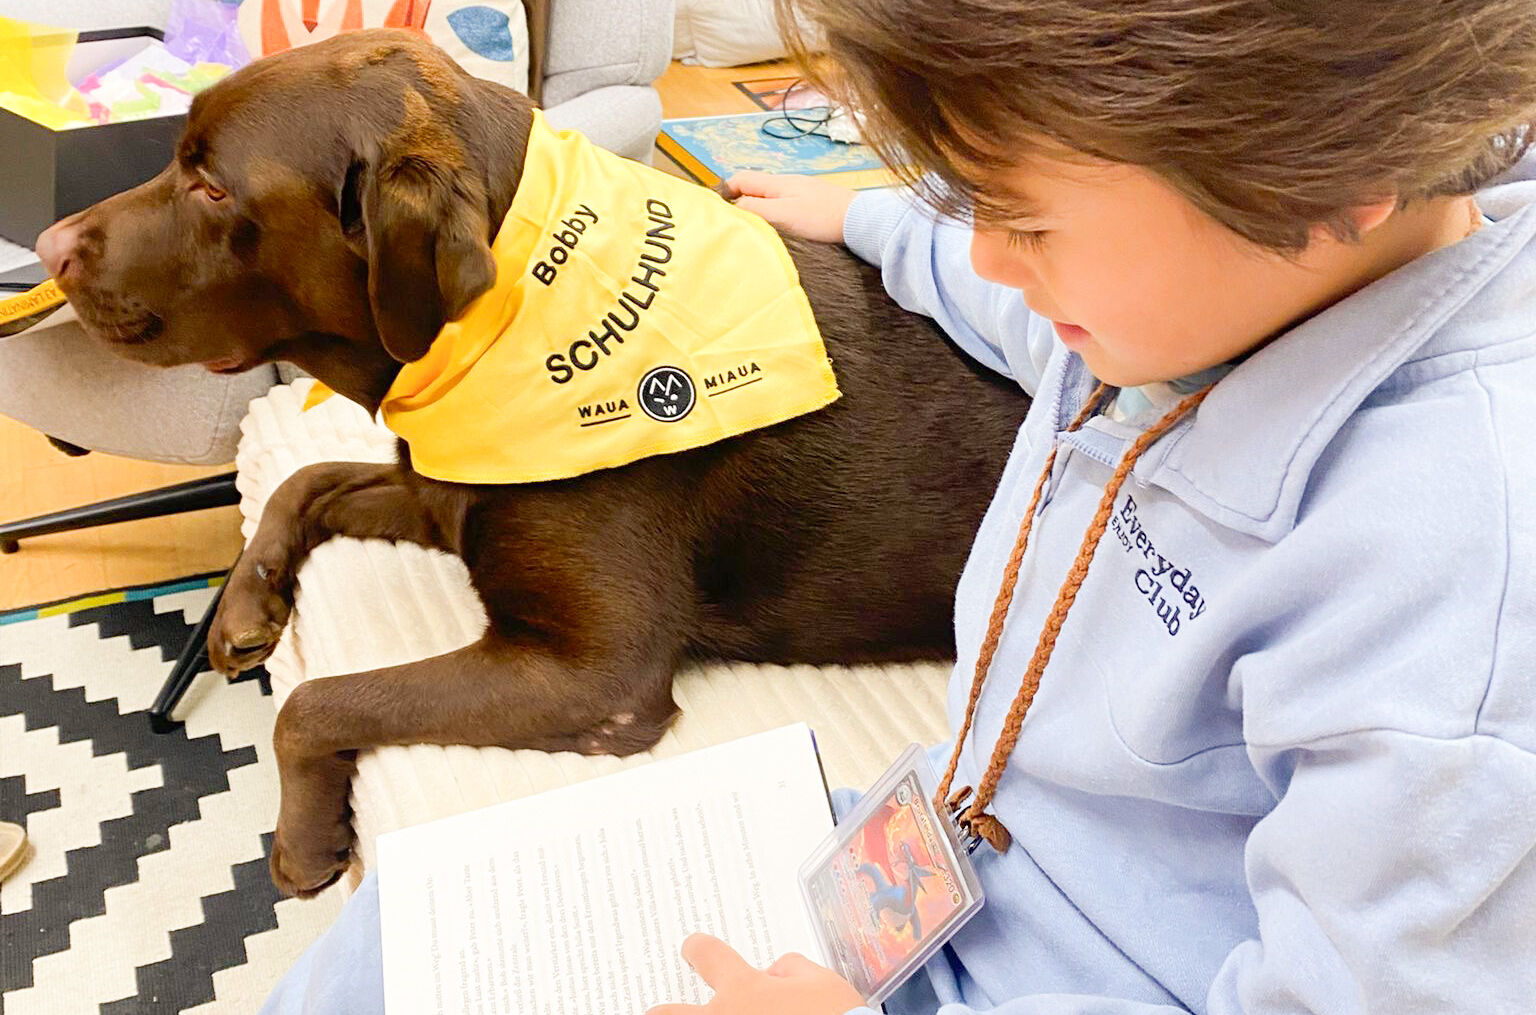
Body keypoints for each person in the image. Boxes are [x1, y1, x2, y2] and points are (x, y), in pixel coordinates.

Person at [261, 2, 1536, 1012]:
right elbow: (989, 298)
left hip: (1051, 977)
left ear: (1327, 181)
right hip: (930, 866)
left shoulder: (1449, 594)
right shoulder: (1208, 297)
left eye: (1024, 220)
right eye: (964, 201)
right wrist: (869, 217)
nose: (989, 255)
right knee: (427, 926)